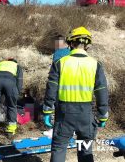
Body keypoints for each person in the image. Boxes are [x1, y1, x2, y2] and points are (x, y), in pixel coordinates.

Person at [43, 27, 109, 162]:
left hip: (64, 115)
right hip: (86, 115)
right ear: (87, 45)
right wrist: (102, 115)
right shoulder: (95, 64)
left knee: (59, 147)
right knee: (85, 149)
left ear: (70, 43)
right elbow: (101, 91)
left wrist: (47, 110)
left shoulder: (60, 63)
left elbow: (51, 88)